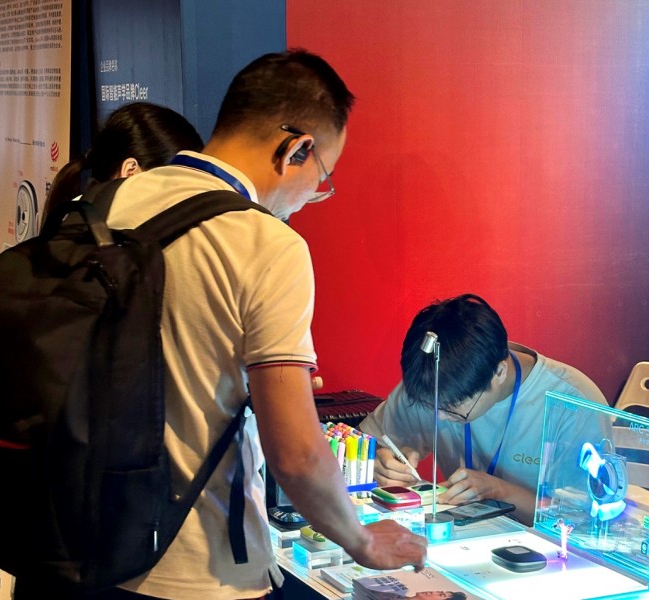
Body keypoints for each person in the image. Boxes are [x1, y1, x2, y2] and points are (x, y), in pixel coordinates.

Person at [24, 49, 426, 600]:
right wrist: (362, 542)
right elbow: (297, 455)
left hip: (70, 546)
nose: (313, 197)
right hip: (192, 569)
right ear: (296, 149)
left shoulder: (107, 200)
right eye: (322, 177)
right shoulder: (266, 244)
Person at [360, 293, 609, 526]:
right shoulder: (431, 380)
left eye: (453, 408)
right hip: (460, 537)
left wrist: (500, 491)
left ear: (499, 373)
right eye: (429, 406)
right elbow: (363, 444)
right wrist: (379, 462)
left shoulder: (573, 403)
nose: (438, 415)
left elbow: (586, 517)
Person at [42, 101, 204, 219]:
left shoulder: (78, 223)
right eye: (174, 189)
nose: (181, 205)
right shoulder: (90, 243)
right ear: (130, 172)